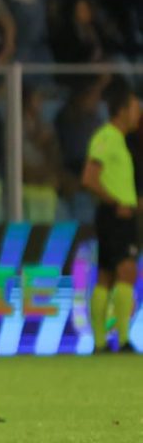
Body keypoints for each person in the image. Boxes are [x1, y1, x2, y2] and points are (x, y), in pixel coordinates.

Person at [81, 77, 139, 353]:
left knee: (106, 276)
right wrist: (116, 203)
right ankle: (124, 339)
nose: (138, 112)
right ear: (121, 110)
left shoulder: (120, 141)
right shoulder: (107, 137)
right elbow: (90, 177)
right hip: (115, 216)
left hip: (118, 215)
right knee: (126, 272)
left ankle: (101, 343)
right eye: (135, 106)